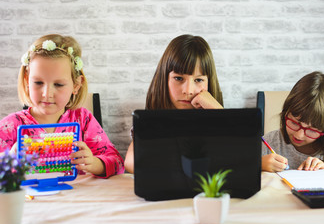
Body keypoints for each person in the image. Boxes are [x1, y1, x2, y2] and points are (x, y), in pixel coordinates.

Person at [0, 34, 124, 178]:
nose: (47, 93)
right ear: (27, 81)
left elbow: (117, 163)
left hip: (77, 197)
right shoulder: (11, 126)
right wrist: (11, 160)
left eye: (58, 84)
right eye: (38, 83)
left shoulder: (83, 120)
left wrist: (94, 163)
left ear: (76, 85)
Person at [124, 34, 224, 173]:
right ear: (164, 80)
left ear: (209, 82)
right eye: (178, 78)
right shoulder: (151, 122)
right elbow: (131, 163)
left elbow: (241, 153)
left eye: (198, 80)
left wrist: (220, 113)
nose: (188, 90)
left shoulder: (216, 122)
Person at [262, 71, 324, 172]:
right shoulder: (270, 141)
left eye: (312, 130)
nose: (299, 135)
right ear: (285, 114)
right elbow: (240, 170)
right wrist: (259, 164)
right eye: (294, 123)